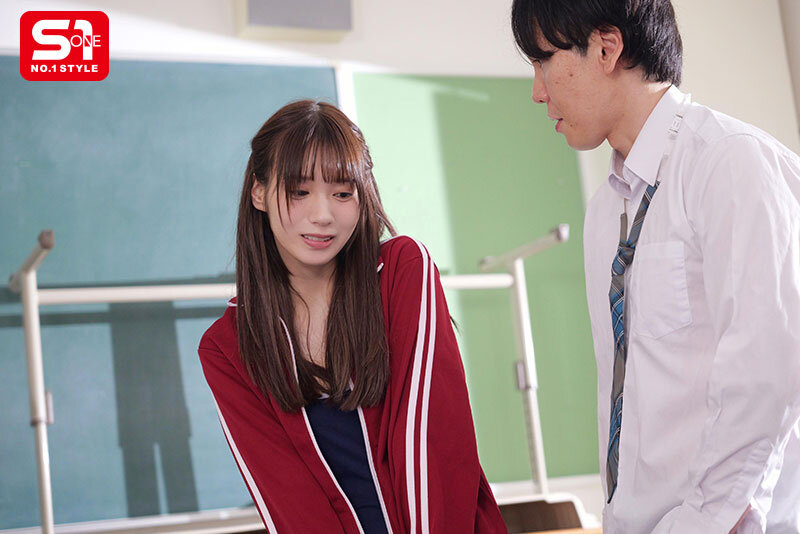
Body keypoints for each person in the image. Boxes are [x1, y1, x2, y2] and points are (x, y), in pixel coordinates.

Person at [511, 1, 800, 532]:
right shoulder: (606, 211)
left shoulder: (729, 162)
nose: (537, 91)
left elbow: (767, 376)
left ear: (606, 48)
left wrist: (698, 523)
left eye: (544, 60)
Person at [197, 100, 507, 534]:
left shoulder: (401, 272)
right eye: (299, 191)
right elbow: (288, 502)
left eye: (342, 193)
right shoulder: (227, 346)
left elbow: (434, 445)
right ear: (259, 192)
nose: (323, 215)